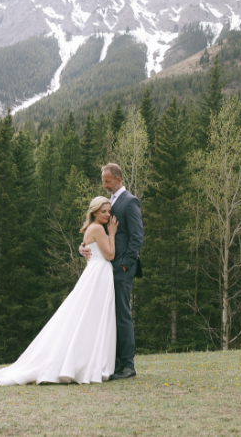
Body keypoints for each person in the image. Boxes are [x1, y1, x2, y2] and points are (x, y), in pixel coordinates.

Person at [0, 197, 118, 385]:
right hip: (99, 274)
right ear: (94, 212)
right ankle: (87, 362)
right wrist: (111, 233)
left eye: (109, 211)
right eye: (103, 211)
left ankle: (85, 359)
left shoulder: (90, 229)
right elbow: (110, 255)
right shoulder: (98, 228)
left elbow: (89, 249)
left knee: (88, 317)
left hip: (95, 273)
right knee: (93, 317)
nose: (107, 215)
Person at [80, 163, 143, 380]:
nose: (104, 184)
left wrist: (125, 264)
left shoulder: (130, 201)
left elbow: (137, 237)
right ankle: (113, 364)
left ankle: (127, 365)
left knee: (122, 315)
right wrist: (84, 248)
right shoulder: (110, 203)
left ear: (117, 179)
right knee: (110, 316)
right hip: (106, 268)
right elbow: (97, 230)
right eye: (103, 181)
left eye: (107, 181)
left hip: (122, 269)